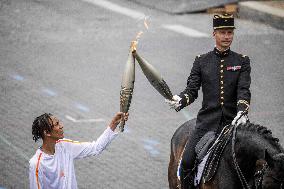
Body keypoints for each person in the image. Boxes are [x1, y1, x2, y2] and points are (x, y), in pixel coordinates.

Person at [166, 14, 251, 188]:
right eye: (223, 33)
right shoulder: (201, 61)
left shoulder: (241, 61)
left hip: (232, 124)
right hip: (206, 124)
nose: (227, 37)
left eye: (230, 32)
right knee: (187, 162)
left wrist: (242, 110)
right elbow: (192, 90)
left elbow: (243, 90)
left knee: (253, 163)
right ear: (214, 34)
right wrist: (180, 99)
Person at [29, 112, 128, 189]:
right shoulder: (36, 164)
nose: (61, 126)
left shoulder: (65, 145)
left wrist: (113, 123)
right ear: (47, 133)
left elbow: (96, 148)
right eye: (57, 124)